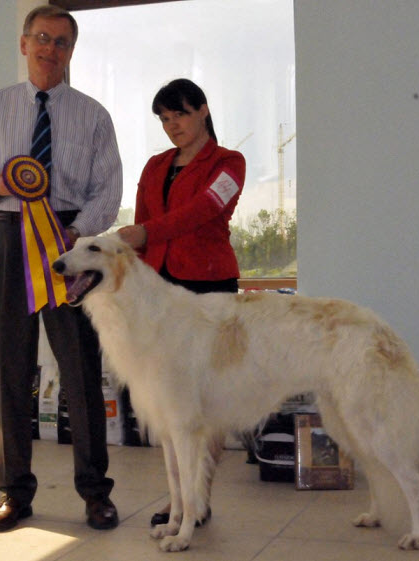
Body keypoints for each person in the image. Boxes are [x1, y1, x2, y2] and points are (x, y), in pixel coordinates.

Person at [0, 5, 122, 532]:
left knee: (80, 371)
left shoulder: (93, 114)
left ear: (71, 51)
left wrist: (77, 236)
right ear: (24, 44)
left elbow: (108, 189)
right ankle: (15, 493)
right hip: (9, 240)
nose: (51, 50)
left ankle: (96, 492)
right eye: (42, 39)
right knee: (11, 366)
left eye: (62, 42)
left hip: (71, 243)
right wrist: (0, 186)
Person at [118, 78, 246, 526]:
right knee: (167, 400)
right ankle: (179, 498)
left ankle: (199, 500)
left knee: (205, 400)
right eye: (165, 119)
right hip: (157, 292)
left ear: (204, 111)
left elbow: (206, 209)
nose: (173, 126)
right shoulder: (155, 166)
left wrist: (149, 233)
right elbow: (139, 226)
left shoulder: (230, 163)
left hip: (209, 287)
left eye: (181, 115)